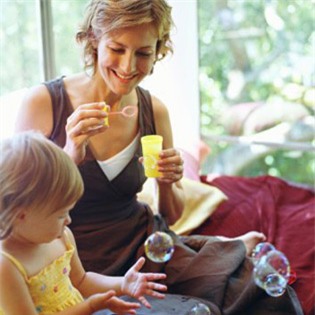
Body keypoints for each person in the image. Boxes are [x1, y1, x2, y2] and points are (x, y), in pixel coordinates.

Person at [15, 0, 303, 314]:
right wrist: (69, 153)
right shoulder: (44, 104)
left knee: (265, 297)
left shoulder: (154, 111)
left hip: (144, 245)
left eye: (143, 53)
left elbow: (171, 213)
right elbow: (15, 209)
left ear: (158, 52)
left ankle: (221, 251)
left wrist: (168, 182)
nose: (128, 67)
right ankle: (222, 249)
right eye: (117, 48)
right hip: (78, 259)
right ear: (94, 41)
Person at [0, 131, 167, 315]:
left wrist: (123, 283)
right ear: (21, 215)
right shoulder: (7, 266)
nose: (69, 221)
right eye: (60, 215)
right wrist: (89, 306)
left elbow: (81, 281)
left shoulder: (62, 238)